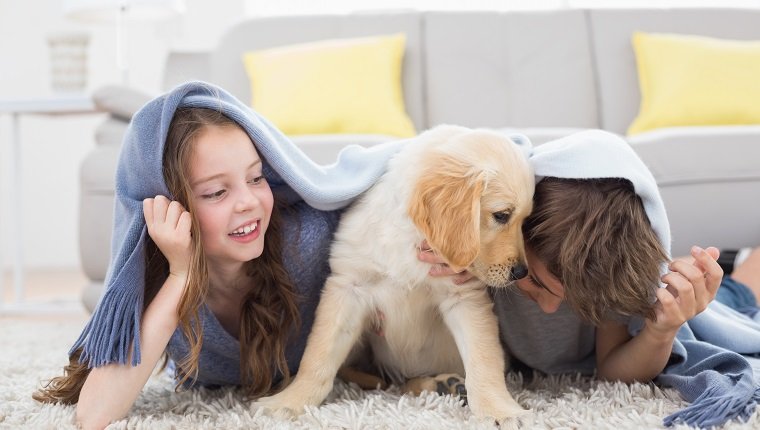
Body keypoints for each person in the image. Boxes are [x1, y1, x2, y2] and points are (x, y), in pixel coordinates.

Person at [33, 81, 406, 430]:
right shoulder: (163, 285)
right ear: (170, 207)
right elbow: (95, 414)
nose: (248, 202)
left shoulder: (305, 240)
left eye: (257, 178)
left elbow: (402, 168)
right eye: (216, 192)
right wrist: (181, 275)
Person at [421, 130, 760, 428]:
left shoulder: (602, 274)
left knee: (736, 294)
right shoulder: (500, 246)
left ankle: (742, 258)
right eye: (534, 280)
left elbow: (612, 372)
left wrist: (663, 329)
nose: (551, 307)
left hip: (717, 297)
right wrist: (454, 243)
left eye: (570, 302)